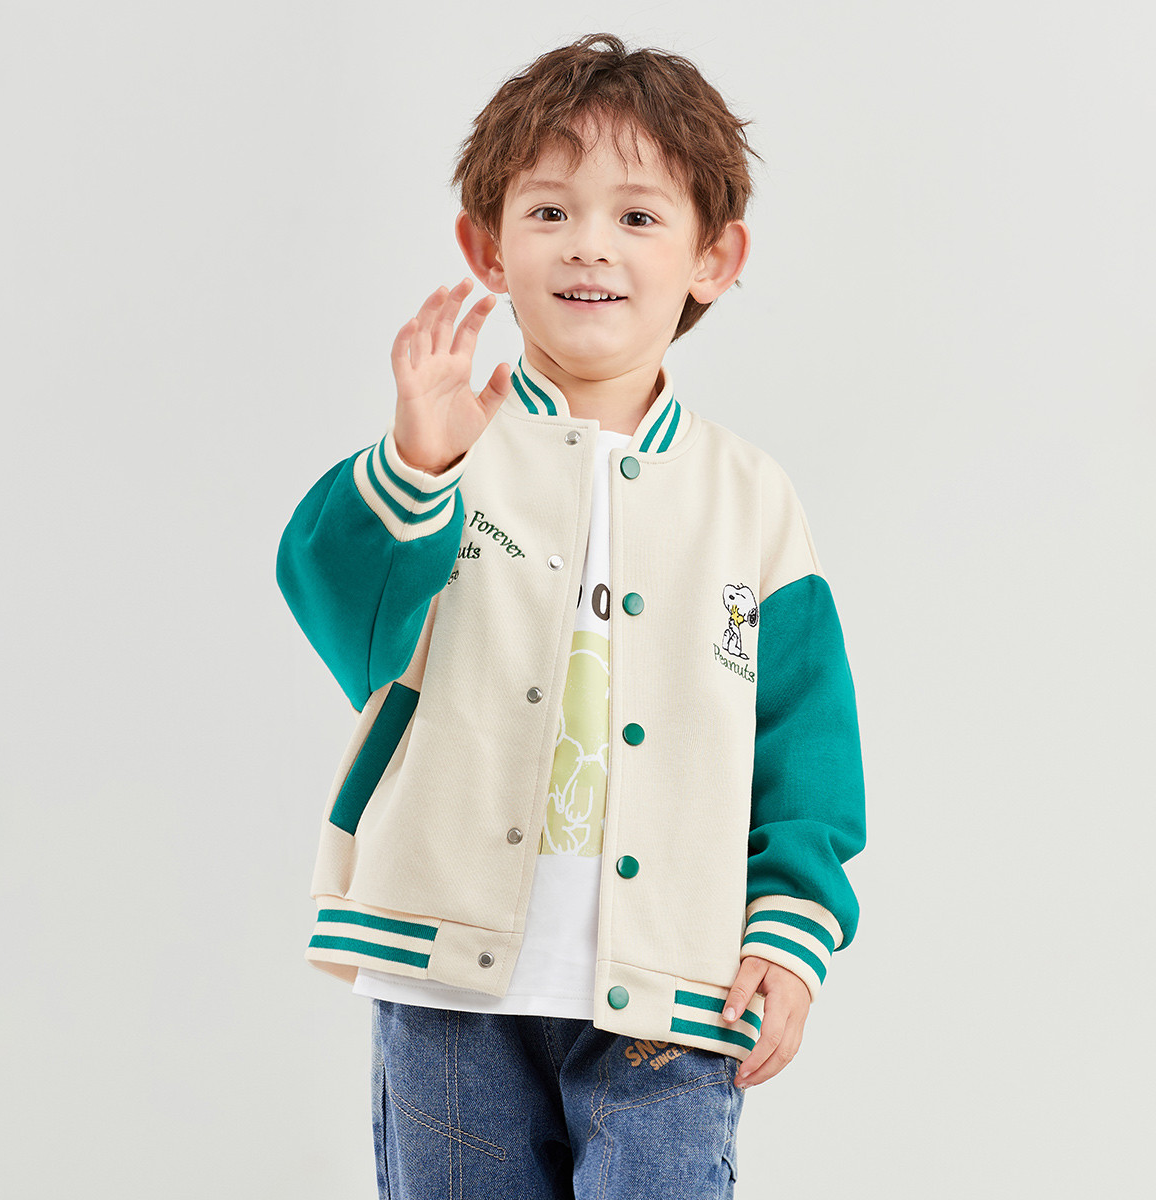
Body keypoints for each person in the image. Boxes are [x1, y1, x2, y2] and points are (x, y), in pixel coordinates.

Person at [276, 31, 866, 1200]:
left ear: (714, 257)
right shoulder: (445, 452)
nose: (591, 243)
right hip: (446, 980)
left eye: (638, 216)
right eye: (550, 211)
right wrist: (414, 465)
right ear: (488, 249)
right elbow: (348, 618)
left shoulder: (750, 498)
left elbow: (805, 745)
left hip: (675, 992)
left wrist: (789, 936)